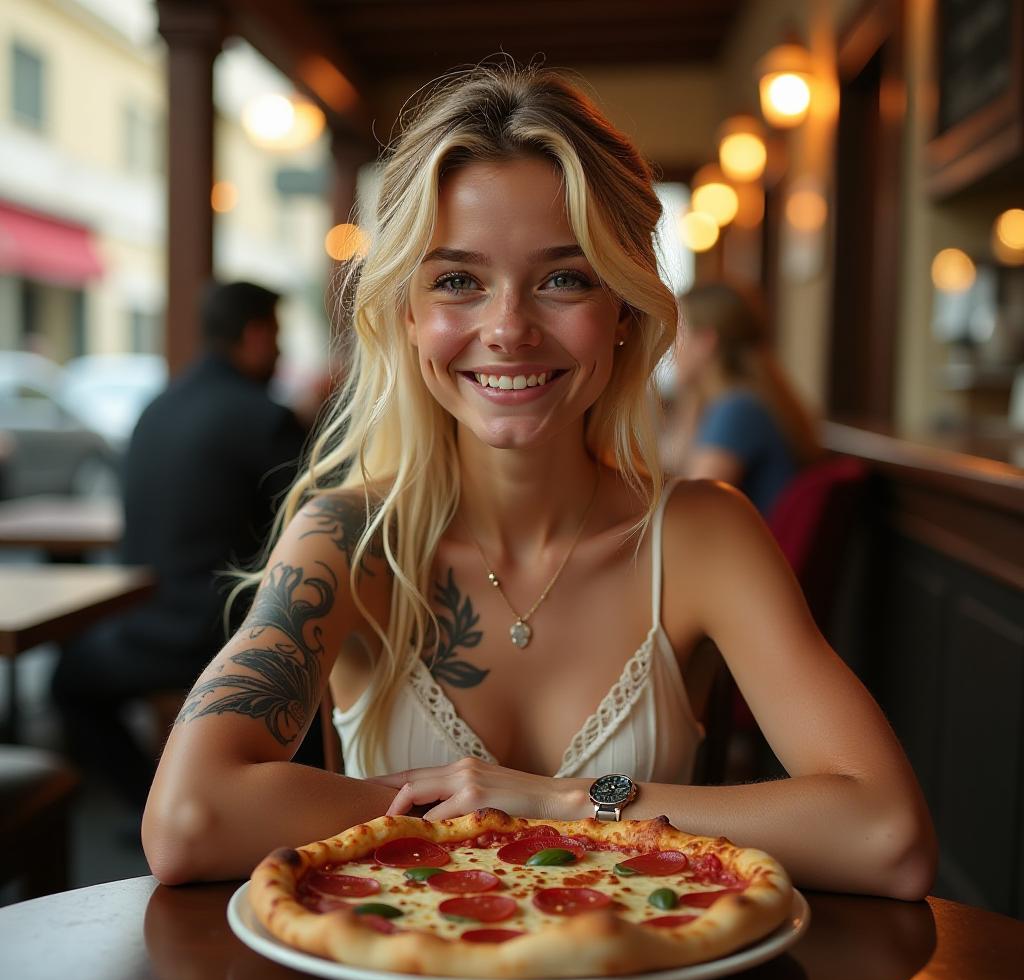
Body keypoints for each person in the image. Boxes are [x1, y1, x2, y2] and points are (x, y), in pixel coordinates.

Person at [142, 65, 936, 900]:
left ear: (625, 311)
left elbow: (887, 834)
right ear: (408, 314)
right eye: (457, 280)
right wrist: (483, 811)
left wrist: (558, 802)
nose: (509, 328)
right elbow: (188, 817)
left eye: (564, 277)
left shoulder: (701, 535)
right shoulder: (345, 538)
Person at [51, 281, 308, 809]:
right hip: (221, 633)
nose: (280, 351)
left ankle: (147, 802)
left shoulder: (156, 409)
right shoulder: (264, 418)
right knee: (316, 671)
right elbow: (312, 529)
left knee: (67, 681)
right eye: (277, 336)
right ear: (255, 335)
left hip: (139, 624)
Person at [668, 282, 821, 518]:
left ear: (706, 342)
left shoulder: (738, 410)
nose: (670, 347)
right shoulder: (742, 399)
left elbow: (692, 508)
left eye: (678, 332)